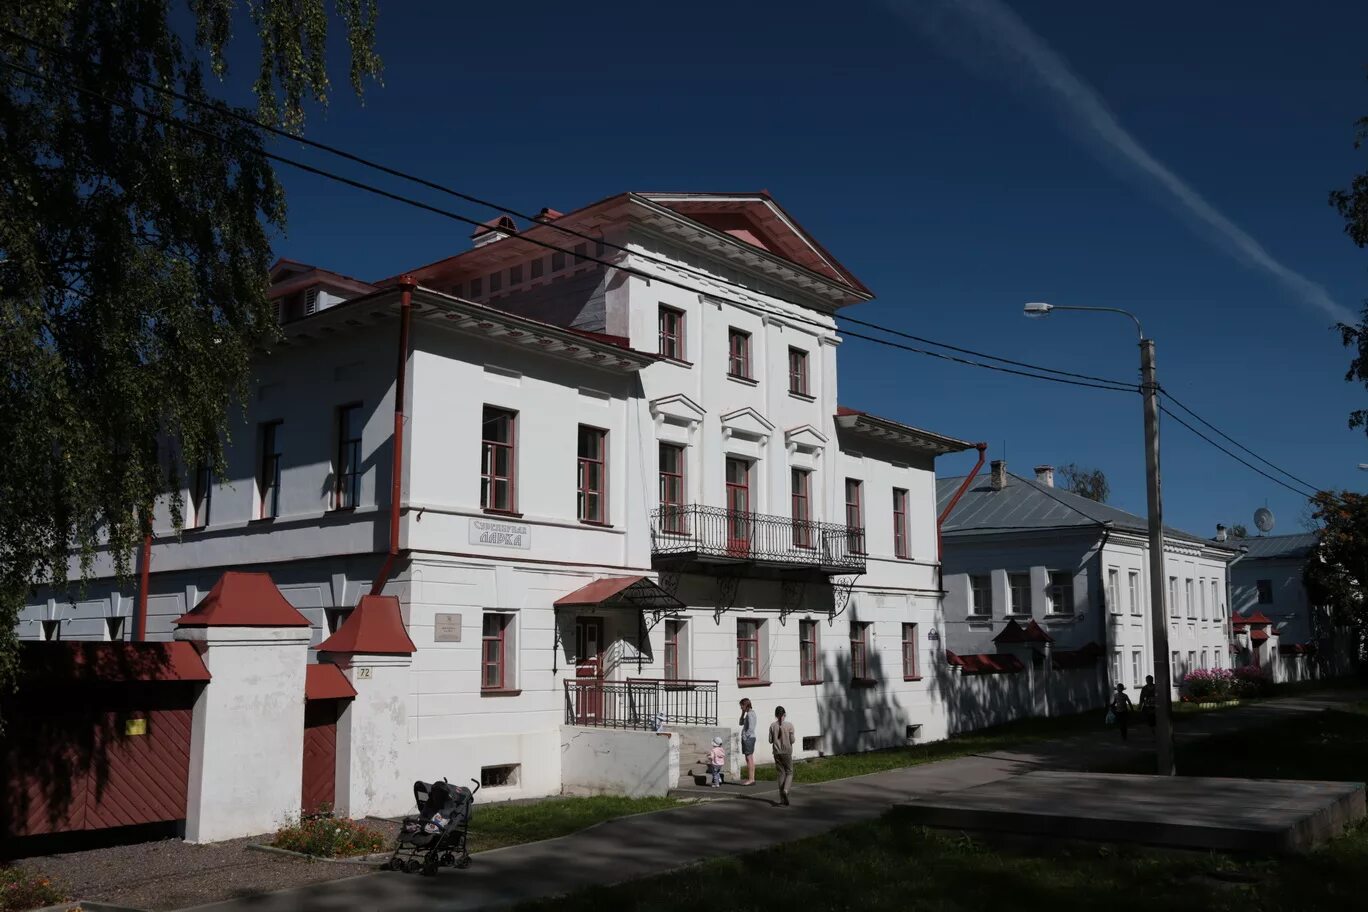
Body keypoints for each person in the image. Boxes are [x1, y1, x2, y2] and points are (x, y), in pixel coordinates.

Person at [768, 705, 795, 806]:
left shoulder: (772, 726)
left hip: (776, 752)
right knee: (789, 772)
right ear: (785, 714)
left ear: (775, 715)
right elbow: (792, 740)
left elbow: (770, 740)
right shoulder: (789, 725)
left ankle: (782, 799)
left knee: (781, 774)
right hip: (787, 752)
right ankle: (786, 790)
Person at [738, 698, 758, 786]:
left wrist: (745, 737)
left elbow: (751, 728)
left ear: (746, 705)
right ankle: (751, 778)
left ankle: (751, 779)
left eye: (742, 706)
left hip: (749, 739)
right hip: (749, 738)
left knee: (749, 759)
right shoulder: (748, 714)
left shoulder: (750, 714)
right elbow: (740, 723)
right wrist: (742, 713)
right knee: (749, 759)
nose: (741, 707)